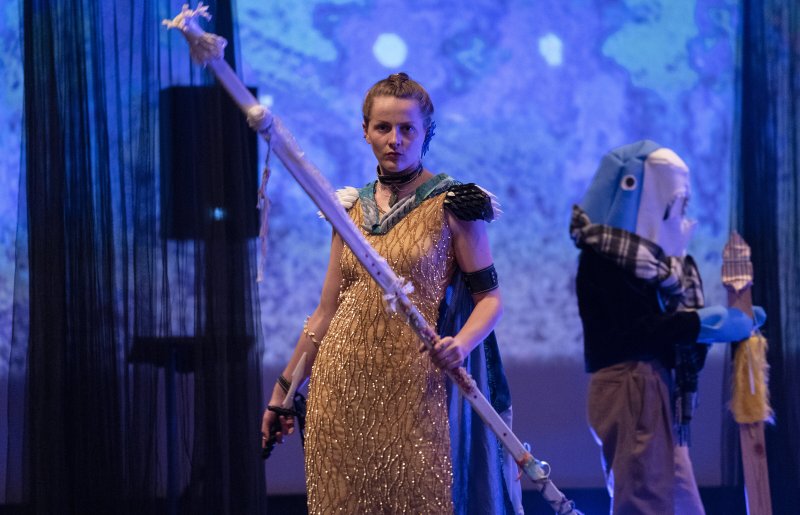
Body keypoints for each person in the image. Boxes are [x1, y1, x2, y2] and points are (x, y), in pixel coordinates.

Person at [261, 72, 522, 514]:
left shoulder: (453, 203)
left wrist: (460, 345)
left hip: (418, 391)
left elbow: (490, 300)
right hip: (342, 390)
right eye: (383, 128)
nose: (395, 139)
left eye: (407, 129)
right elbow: (326, 313)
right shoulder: (349, 209)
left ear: (426, 133)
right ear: (365, 131)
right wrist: (283, 392)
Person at [570, 140, 762, 514]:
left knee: (680, 501)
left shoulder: (647, 264)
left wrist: (704, 326)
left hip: (650, 382)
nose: (682, 215)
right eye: (678, 205)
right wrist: (699, 323)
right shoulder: (606, 257)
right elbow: (634, 331)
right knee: (645, 500)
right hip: (633, 381)